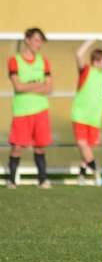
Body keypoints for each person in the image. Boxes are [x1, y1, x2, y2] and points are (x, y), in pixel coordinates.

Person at [7, 27, 52, 189]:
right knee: (17, 147)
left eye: (41, 41)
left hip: (41, 110)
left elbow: (49, 88)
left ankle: (43, 180)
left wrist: (29, 85)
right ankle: (11, 181)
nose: (38, 44)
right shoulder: (14, 60)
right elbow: (17, 86)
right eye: (36, 40)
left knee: (40, 147)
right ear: (27, 39)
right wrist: (38, 84)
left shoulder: (44, 61)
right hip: (21, 110)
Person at [71, 40, 102, 185]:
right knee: (82, 144)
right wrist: (90, 41)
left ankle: (81, 176)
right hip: (79, 115)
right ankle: (97, 172)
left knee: (87, 150)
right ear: (95, 61)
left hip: (94, 118)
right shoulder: (86, 71)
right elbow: (79, 55)